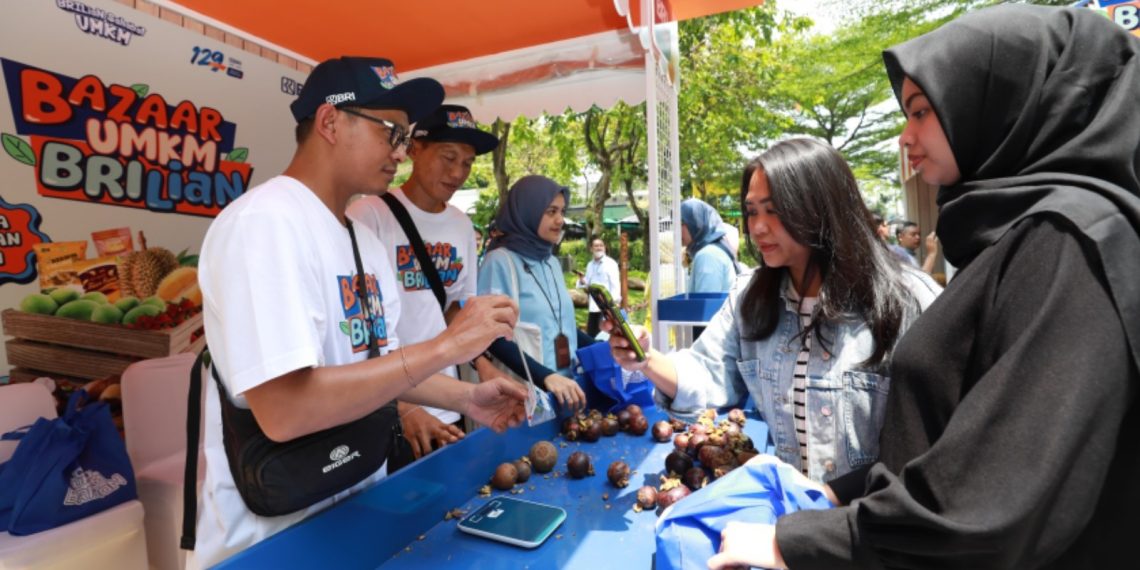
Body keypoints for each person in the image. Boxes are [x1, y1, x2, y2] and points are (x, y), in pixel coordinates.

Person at [708, 6, 1140, 569]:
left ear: (1000, 103)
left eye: (921, 111)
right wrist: (834, 498)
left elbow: (987, 504)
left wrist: (792, 543)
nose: (906, 137)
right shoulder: (1019, 237)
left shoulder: (1065, 243)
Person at [192, 57, 526, 568]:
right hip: (274, 533)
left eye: (406, 134)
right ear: (329, 122)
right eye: (390, 131)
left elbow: (381, 364)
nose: (400, 151)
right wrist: (447, 346)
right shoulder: (264, 224)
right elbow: (285, 410)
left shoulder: (363, 239)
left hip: (355, 504)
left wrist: (468, 396)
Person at [608, 138, 941, 483]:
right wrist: (645, 359)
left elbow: (937, 444)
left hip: (875, 527)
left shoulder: (908, 301)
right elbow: (707, 371)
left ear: (821, 206)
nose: (757, 227)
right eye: (752, 211)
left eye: (775, 210)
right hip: (789, 522)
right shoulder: (750, 298)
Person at [347, 104, 501, 466]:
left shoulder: (462, 226)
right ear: (414, 149)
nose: (458, 172)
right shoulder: (368, 215)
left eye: (467, 162)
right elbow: (356, 332)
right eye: (448, 157)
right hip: (389, 410)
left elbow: (453, 309)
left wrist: (483, 362)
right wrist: (402, 404)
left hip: (448, 404)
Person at [478, 175, 591, 411]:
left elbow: (565, 325)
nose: (560, 220)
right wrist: (545, 377)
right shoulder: (500, 261)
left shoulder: (550, 262)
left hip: (565, 391)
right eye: (551, 211)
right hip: (523, 396)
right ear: (527, 210)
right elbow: (492, 337)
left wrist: (607, 349)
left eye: (562, 211)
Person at [680, 198, 737, 294]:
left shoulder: (707, 256)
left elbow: (706, 306)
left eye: (681, 223)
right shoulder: (712, 251)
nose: (676, 229)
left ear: (695, 223)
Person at [576, 238, 621, 337]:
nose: (599, 248)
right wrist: (582, 280)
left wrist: (613, 306)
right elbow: (588, 283)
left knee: (604, 336)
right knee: (592, 336)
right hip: (593, 306)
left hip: (606, 307)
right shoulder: (589, 265)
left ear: (605, 248)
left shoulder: (611, 264)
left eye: (601, 245)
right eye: (596, 246)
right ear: (591, 248)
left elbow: (615, 286)